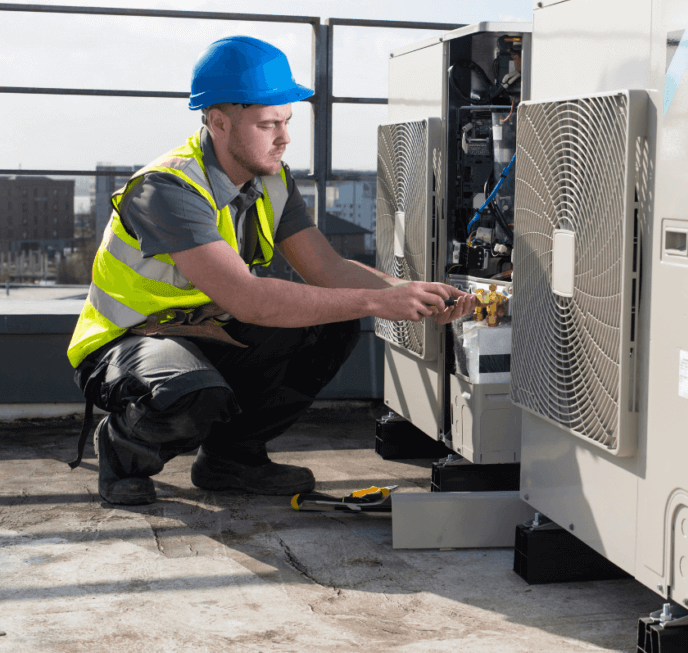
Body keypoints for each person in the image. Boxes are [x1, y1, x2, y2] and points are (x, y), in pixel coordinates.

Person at [66, 35, 474, 506]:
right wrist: (380, 300)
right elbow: (250, 300)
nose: (284, 138)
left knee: (332, 323)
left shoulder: (272, 180)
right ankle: (123, 452)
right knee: (193, 395)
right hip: (130, 342)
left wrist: (413, 292)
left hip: (207, 333)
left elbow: (328, 268)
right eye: (268, 124)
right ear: (218, 121)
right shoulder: (167, 189)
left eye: (286, 121)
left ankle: (231, 459)